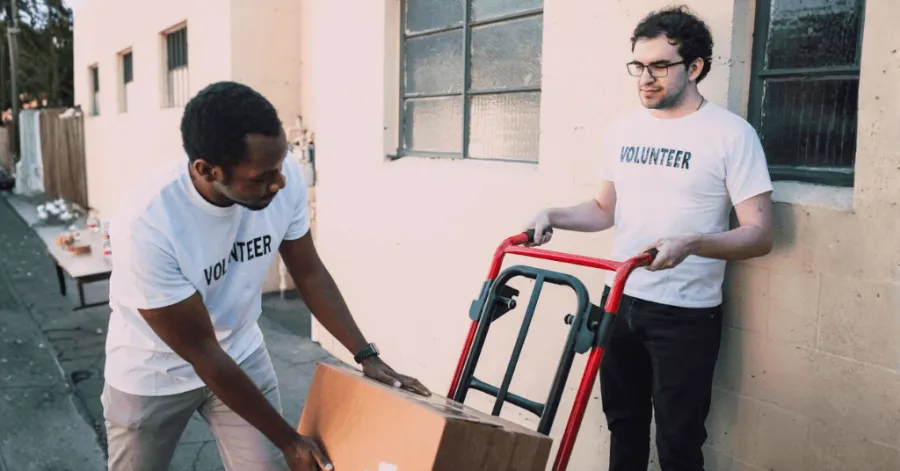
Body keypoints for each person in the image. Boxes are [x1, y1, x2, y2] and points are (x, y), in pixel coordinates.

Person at [102, 81, 430, 471]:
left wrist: (365, 354)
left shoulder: (278, 174)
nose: (280, 183)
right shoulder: (148, 223)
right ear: (207, 170)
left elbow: (309, 272)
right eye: (261, 177)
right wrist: (289, 439)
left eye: (280, 165)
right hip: (153, 374)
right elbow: (203, 353)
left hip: (240, 355)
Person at [523, 6, 773, 471]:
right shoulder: (623, 130)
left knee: (679, 444)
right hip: (619, 299)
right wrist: (551, 214)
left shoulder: (731, 136)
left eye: (660, 66)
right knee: (624, 426)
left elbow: (760, 235)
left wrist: (691, 243)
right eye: (639, 65)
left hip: (685, 315)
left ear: (695, 67)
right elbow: (603, 210)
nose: (645, 77)